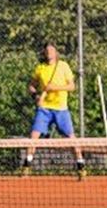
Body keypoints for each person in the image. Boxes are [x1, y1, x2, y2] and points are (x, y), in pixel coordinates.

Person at [22, 40, 85, 179]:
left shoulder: (63, 66)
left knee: (71, 137)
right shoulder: (40, 68)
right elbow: (31, 86)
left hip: (61, 109)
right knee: (34, 136)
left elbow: (71, 87)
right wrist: (36, 96)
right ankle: (26, 166)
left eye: (51, 50)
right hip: (44, 109)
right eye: (47, 50)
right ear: (44, 53)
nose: (49, 52)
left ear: (56, 52)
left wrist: (54, 87)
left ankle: (81, 166)